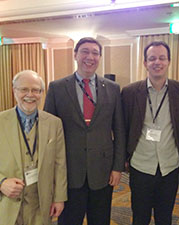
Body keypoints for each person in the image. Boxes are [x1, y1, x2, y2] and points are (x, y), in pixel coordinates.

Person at [44, 37, 125, 225]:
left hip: (103, 171)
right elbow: (48, 133)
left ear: (100, 57)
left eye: (95, 53)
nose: (90, 57)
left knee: (100, 220)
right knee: (69, 221)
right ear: (75, 55)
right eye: (85, 51)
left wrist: (117, 167)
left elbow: (119, 130)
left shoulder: (112, 88)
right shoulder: (57, 88)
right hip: (69, 170)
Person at [0, 70, 67, 225]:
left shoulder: (54, 123)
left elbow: (60, 164)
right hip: (6, 204)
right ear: (14, 91)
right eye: (24, 89)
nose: (30, 94)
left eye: (36, 90)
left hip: (41, 205)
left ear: (42, 93)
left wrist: (59, 198)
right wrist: (0, 183)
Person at [121, 41, 179, 225]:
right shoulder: (129, 92)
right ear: (145, 63)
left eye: (162, 58)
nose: (157, 62)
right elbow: (124, 127)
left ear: (168, 61)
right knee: (140, 217)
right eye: (152, 58)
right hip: (141, 165)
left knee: (164, 217)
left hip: (169, 166)